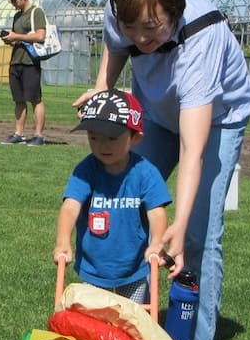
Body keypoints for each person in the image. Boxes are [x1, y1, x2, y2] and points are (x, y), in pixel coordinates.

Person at [80, 0, 250, 340]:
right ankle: (129, 320)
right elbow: (117, 46)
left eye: (153, 30)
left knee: (197, 233)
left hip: (217, 121)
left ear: (174, 14)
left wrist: (177, 223)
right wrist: (104, 87)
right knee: (124, 205)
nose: (142, 38)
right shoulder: (122, 8)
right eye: (134, 27)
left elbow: (192, 151)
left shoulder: (203, 35)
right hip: (155, 112)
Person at [53, 89, 171, 304]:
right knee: (93, 324)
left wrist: (157, 245)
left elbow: (157, 212)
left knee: (133, 324)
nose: (102, 145)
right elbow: (70, 206)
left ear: (135, 137)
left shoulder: (146, 173)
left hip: (133, 269)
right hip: (93, 269)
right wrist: (62, 242)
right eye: (94, 137)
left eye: (112, 138)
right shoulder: (85, 170)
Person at [0, 0, 47, 146]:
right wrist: (10, 39)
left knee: (35, 99)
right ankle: (18, 134)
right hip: (16, 61)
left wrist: (17, 36)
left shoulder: (36, 12)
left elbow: (41, 36)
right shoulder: (17, 16)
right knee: (18, 99)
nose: (13, 3)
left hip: (30, 62)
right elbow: (18, 37)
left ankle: (38, 135)